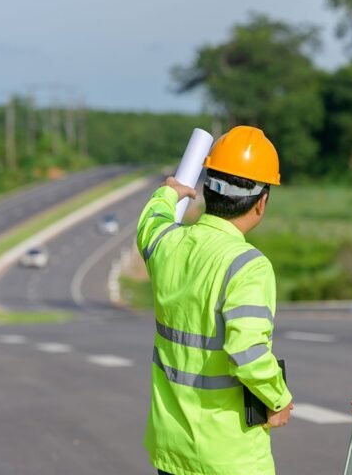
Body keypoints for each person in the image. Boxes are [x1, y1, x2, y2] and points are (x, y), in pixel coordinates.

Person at [137, 125, 294, 475]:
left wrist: (167, 193)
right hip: (229, 458)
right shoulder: (248, 266)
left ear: (206, 188)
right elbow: (248, 353)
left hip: (172, 451)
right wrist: (279, 399)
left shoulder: (166, 245)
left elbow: (150, 223)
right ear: (262, 200)